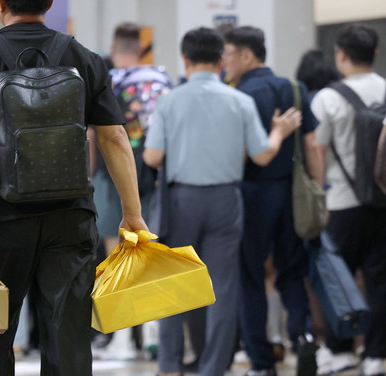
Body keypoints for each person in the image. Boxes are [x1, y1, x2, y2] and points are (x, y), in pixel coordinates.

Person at [0, 1, 148, 375]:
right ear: (50, 4)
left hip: (2, 215)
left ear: (1, 3)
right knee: (68, 341)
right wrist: (132, 214)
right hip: (71, 215)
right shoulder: (83, 56)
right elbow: (114, 137)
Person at [143, 27, 301, 376]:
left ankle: (169, 367)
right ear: (220, 61)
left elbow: (153, 156)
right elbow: (261, 157)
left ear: (185, 60)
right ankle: (214, 368)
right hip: (226, 199)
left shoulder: (170, 100)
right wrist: (278, 132)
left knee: (171, 285)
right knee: (222, 288)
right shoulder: (239, 100)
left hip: (180, 200)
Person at [223, 26, 323, 376]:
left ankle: (262, 362)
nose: (224, 62)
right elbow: (311, 145)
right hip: (291, 193)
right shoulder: (293, 88)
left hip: (251, 193)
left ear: (246, 55)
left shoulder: (236, 95)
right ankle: (305, 337)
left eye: (228, 55)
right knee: (292, 271)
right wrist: (318, 191)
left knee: (250, 276)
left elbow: (236, 152)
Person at [310, 24, 386, 376]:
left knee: (338, 281)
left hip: (341, 205)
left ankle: (341, 350)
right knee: (383, 282)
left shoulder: (328, 98)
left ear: (341, 55)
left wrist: (319, 190)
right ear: (375, 53)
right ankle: (377, 357)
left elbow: (316, 148)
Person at [91, 22, 173, 361]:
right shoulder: (164, 81)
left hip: (112, 179)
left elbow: (97, 134)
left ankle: (122, 337)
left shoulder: (108, 82)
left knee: (116, 257)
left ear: (114, 50)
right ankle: (154, 336)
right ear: (140, 50)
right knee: (149, 255)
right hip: (154, 177)